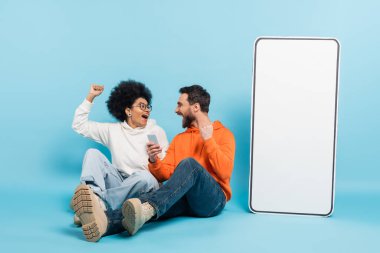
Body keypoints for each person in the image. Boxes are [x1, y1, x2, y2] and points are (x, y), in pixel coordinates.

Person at [121, 84, 235, 235]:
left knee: (189, 164)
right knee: (138, 204)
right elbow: (165, 175)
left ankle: (151, 207)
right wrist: (154, 160)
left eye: (180, 105)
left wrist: (209, 140)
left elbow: (225, 172)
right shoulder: (179, 139)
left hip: (212, 201)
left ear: (195, 107)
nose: (176, 110)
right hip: (185, 198)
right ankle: (104, 221)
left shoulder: (224, 134)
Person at [71, 80, 169, 242]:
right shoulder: (113, 131)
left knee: (144, 177)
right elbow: (79, 126)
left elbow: (166, 171)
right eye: (141, 106)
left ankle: (97, 206)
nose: (147, 110)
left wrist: (154, 159)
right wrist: (90, 97)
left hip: (144, 185)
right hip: (118, 182)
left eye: (148, 106)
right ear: (128, 111)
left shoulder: (156, 132)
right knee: (92, 153)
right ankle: (94, 199)